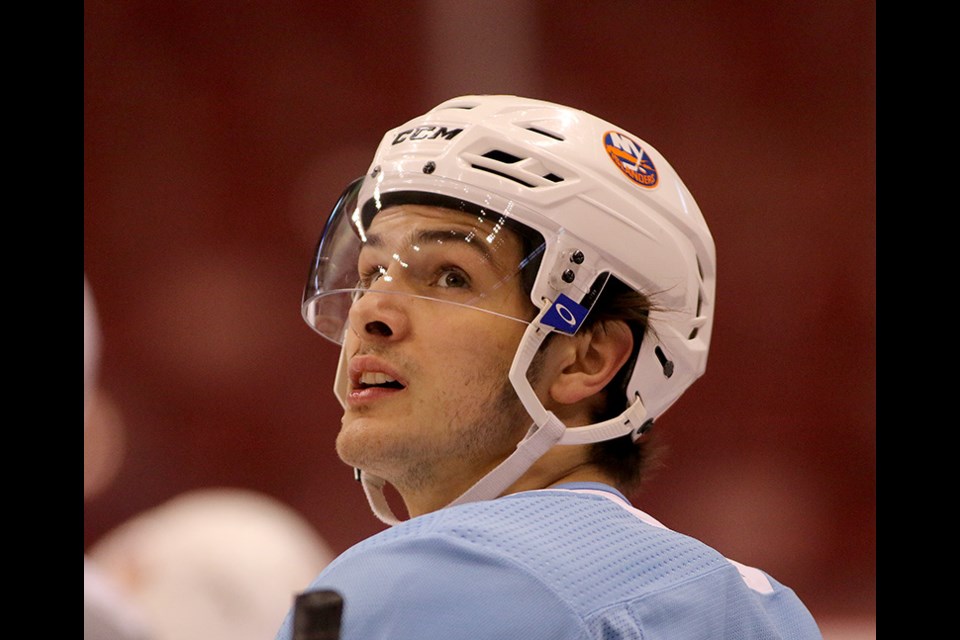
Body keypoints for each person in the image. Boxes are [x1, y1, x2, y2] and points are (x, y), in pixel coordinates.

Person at [277, 95, 823, 639]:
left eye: (450, 277)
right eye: (372, 272)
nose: (370, 312)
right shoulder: (767, 611)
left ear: (585, 359)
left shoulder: (418, 586)